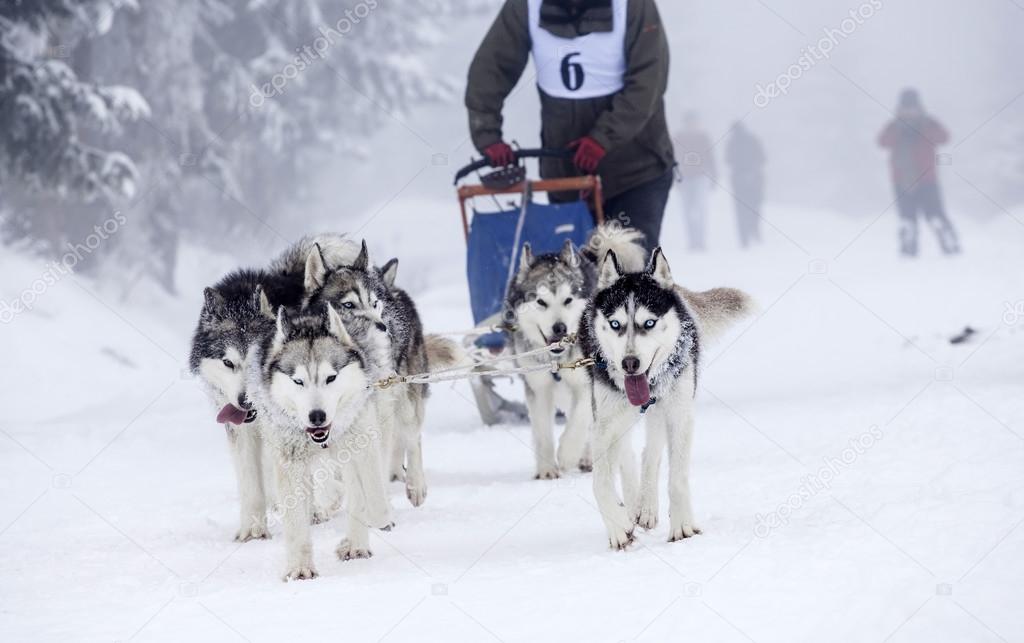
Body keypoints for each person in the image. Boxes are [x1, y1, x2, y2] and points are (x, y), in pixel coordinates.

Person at [465, 0, 674, 251]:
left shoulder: (633, 6)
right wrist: (488, 136)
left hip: (636, 171)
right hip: (566, 178)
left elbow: (648, 83)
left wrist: (602, 138)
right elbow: (490, 70)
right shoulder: (526, 6)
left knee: (631, 270)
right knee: (575, 278)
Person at [878, 88, 960, 256]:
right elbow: (882, 142)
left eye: (912, 108)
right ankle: (908, 251)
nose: (909, 112)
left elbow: (944, 137)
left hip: (927, 179)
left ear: (919, 107)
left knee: (935, 215)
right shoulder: (894, 126)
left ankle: (950, 246)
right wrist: (900, 130)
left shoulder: (929, 123)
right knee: (907, 219)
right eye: (906, 108)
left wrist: (923, 129)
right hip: (902, 180)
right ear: (899, 109)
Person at [674, 111, 717, 251]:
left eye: (695, 122)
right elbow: (674, 159)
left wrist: (714, 176)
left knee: (700, 209)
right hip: (685, 178)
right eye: (690, 122)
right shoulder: (679, 137)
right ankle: (692, 241)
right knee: (688, 211)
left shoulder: (704, 137)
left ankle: (701, 241)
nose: (693, 125)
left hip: (700, 177)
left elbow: (711, 157)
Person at [725, 121, 765, 248]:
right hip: (753, 179)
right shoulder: (752, 140)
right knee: (754, 206)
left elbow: (727, 160)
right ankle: (752, 230)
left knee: (741, 209)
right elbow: (763, 158)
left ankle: (744, 238)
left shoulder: (732, 143)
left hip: (741, 180)